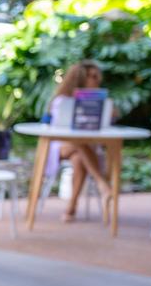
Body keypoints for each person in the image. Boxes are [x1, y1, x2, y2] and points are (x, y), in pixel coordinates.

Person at [46, 59, 112, 222]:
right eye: (92, 76)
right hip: (60, 145)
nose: (97, 80)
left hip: (85, 148)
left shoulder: (101, 101)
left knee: (78, 158)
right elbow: (57, 127)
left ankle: (72, 207)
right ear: (80, 78)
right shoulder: (62, 100)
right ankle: (101, 183)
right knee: (77, 142)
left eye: (98, 76)